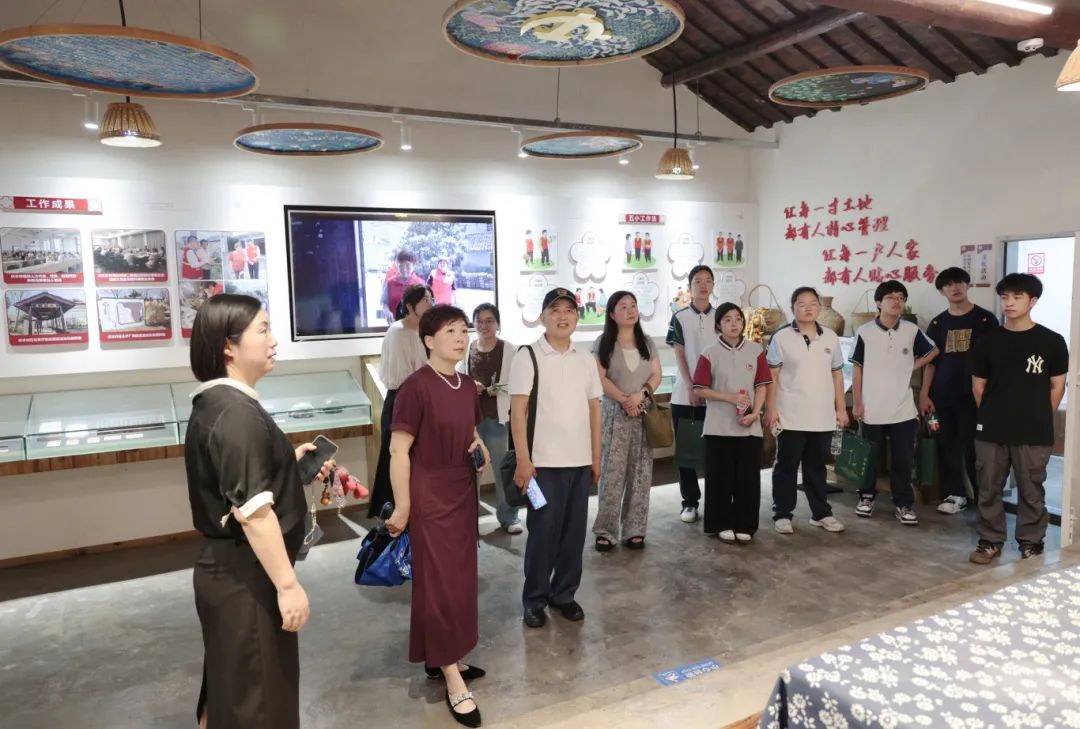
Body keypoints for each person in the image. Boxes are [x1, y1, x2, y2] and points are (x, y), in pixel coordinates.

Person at [184, 294, 332, 729]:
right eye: (263, 330)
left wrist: (288, 466)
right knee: (259, 703)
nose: (273, 340)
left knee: (234, 691)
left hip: (229, 573)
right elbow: (252, 512)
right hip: (247, 578)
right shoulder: (235, 413)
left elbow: (238, 485)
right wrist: (287, 586)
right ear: (228, 346)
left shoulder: (218, 404)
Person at [386, 305, 490, 728]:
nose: (461, 337)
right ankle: (450, 675)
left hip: (462, 491)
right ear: (429, 340)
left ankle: (447, 654)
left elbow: (471, 432)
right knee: (439, 583)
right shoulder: (415, 387)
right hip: (429, 496)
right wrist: (404, 506)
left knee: (460, 579)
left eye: (464, 330)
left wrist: (479, 447)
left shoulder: (465, 385)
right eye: (451, 331)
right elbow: (398, 451)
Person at [510, 288, 602, 629]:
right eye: (555, 310)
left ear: (577, 317)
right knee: (543, 534)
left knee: (573, 535)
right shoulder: (527, 356)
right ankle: (534, 599)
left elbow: (594, 409)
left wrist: (596, 457)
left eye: (569, 310)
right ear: (543, 317)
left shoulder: (585, 358)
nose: (563, 316)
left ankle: (564, 594)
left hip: (579, 463)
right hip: (541, 467)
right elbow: (518, 412)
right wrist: (523, 461)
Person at [968, 273, 1068, 564]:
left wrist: (1038, 416)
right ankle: (990, 541)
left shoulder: (1052, 341)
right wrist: (993, 414)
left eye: (1017, 297)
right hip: (991, 428)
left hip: (1034, 429)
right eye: (1005, 297)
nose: (1009, 303)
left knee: (1031, 489)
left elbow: (1057, 386)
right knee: (988, 486)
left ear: (1032, 301)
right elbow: (978, 387)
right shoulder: (987, 342)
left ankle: (1031, 543)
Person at [851, 281, 939, 526]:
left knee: (903, 459)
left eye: (901, 297)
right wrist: (857, 403)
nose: (897, 301)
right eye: (891, 297)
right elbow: (857, 369)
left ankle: (904, 504)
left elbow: (933, 351)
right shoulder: (865, 331)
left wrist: (911, 366)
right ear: (879, 303)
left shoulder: (911, 330)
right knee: (870, 457)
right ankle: (866, 497)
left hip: (903, 409)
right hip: (872, 407)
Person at [764, 287, 849, 534]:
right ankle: (782, 514)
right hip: (790, 414)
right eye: (802, 304)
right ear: (793, 308)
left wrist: (841, 409)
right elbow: (772, 376)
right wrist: (771, 409)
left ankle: (821, 513)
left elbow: (837, 375)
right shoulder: (781, 337)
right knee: (786, 466)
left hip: (821, 415)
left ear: (819, 307)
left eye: (813, 303)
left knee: (817, 467)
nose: (808, 308)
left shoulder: (830, 337)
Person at [920, 267, 998, 515]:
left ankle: (984, 499)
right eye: (948, 285)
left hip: (973, 397)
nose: (954, 288)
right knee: (947, 445)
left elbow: (994, 360)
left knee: (975, 448)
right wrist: (924, 393)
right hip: (943, 395)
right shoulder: (937, 323)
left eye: (959, 282)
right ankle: (955, 495)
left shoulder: (985, 319)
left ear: (967, 285)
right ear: (941, 291)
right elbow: (931, 362)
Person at [692, 303, 771, 543]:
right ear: (719, 325)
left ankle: (745, 524)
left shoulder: (756, 351)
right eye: (727, 319)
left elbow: (762, 386)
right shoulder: (709, 353)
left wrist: (755, 413)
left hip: (749, 427)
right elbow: (699, 389)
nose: (734, 323)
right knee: (719, 479)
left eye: (738, 319)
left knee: (748, 480)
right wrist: (730, 397)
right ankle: (720, 523)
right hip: (718, 427)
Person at [591, 291, 661, 551]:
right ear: (612, 314)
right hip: (614, 413)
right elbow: (599, 377)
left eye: (633, 305)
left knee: (641, 473)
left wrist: (640, 395)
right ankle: (606, 530)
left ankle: (634, 529)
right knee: (612, 472)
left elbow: (656, 374)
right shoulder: (603, 342)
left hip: (643, 412)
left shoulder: (647, 342)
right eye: (623, 307)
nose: (630, 310)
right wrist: (624, 399)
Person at [369, 284, 433, 518]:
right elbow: (401, 377)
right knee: (397, 457)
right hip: (401, 400)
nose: (430, 303)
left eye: (431, 298)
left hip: (422, 399)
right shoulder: (397, 332)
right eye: (425, 299)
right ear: (410, 306)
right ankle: (394, 512)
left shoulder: (426, 331)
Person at [461, 303, 521, 533]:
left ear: (498, 323)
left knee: (502, 469)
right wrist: (471, 385)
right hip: (473, 420)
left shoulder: (509, 349)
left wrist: (498, 389)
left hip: (498, 418)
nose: (484, 325)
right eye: (479, 321)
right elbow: (459, 378)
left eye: (489, 321)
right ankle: (469, 519)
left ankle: (509, 517)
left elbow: (518, 382)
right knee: (472, 470)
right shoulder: (468, 348)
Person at [666, 265, 718, 523]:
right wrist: (691, 387)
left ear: (713, 285)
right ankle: (690, 502)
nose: (703, 285)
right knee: (687, 452)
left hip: (717, 397)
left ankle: (717, 502)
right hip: (685, 396)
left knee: (716, 453)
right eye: (698, 281)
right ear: (690, 287)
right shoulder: (680, 317)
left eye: (708, 280)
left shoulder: (722, 316)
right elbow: (679, 353)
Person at [380, 250, 425, 322]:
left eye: (408, 265)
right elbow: (384, 303)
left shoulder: (420, 284)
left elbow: (426, 305)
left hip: (415, 324)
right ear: (397, 266)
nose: (404, 269)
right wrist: (387, 312)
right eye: (401, 265)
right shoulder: (390, 283)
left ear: (413, 266)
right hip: (395, 323)